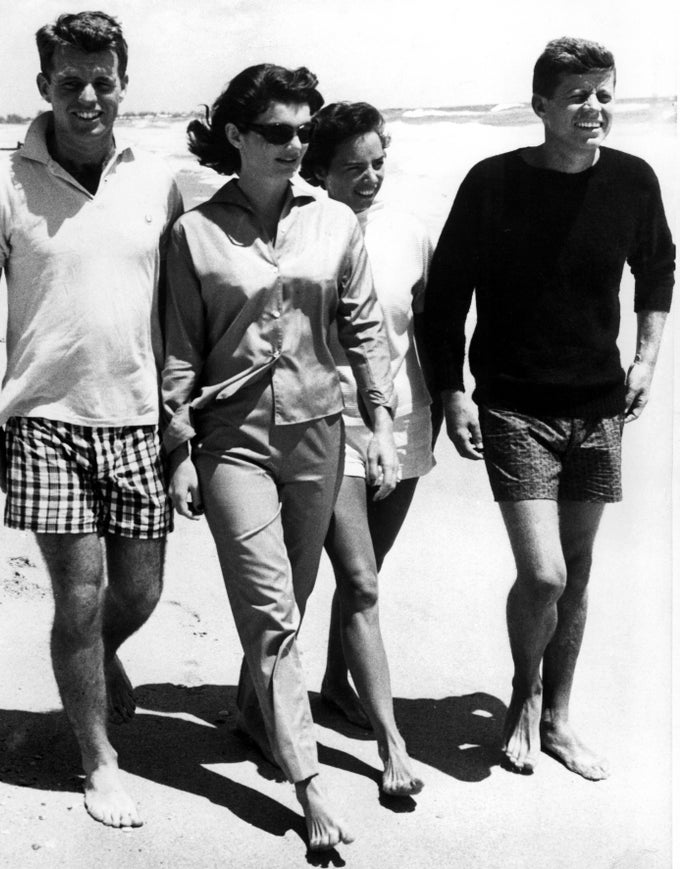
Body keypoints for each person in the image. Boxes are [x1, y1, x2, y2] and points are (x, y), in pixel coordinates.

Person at [420, 37, 674, 781]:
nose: (594, 109)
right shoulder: (492, 182)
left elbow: (658, 267)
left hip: (600, 407)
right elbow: (448, 297)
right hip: (515, 406)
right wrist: (452, 389)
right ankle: (523, 691)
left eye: (604, 93)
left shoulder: (632, 180)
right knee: (545, 574)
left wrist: (648, 358)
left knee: (580, 568)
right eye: (577, 97)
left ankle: (559, 715)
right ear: (540, 107)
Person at [161, 64, 398, 851]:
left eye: (304, 130)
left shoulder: (335, 221)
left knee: (289, 604)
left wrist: (381, 424)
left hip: (319, 433)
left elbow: (365, 330)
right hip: (232, 443)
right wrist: (181, 452)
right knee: (270, 612)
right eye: (277, 132)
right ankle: (310, 787)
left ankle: (253, 714)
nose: (296, 144)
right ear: (236, 135)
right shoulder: (193, 233)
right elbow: (178, 358)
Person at [0, 11, 183, 827]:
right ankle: (98, 759)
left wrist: (177, 417)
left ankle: (90, 659)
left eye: (103, 80)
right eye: (70, 82)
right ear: (43, 86)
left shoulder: (155, 181)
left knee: (143, 589)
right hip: (45, 418)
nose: (88, 96)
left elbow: (175, 308)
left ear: (123, 81)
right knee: (80, 599)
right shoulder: (1, 183)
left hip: (134, 415)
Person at [301, 102, 433, 796]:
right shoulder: (301, 233)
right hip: (329, 429)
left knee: (366, 572)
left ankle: (328, 683)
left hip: (404, 424)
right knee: (361, 581)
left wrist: (451, 406)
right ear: (320, 169)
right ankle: (392, 745)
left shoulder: (411, 232)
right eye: (354, 166)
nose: (371, 176)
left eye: (379, 162)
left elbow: (435, 328)